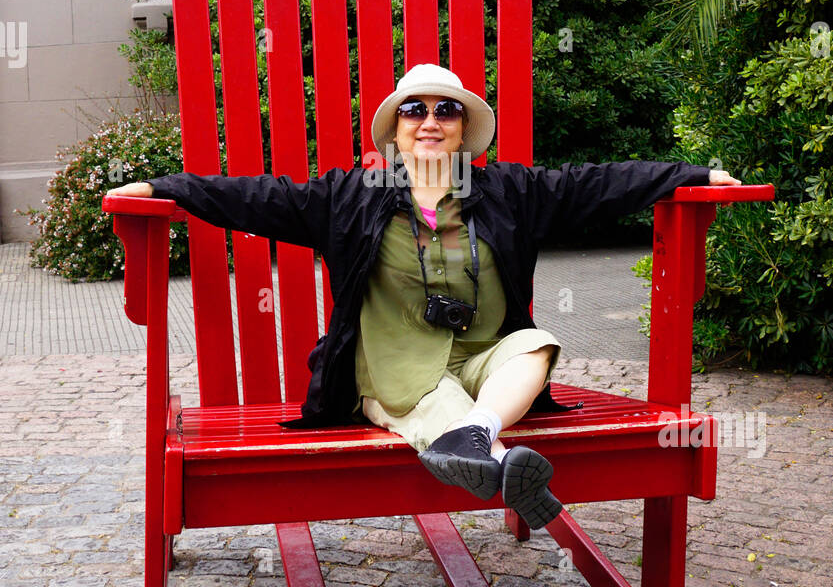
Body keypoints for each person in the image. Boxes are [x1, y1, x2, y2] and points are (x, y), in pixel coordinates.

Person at [108, 63, 742, 530]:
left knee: (535, 344)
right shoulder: (349, 197)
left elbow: (596, 183)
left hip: (481, 364)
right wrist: (165, 188)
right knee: (426, 393)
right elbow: (255, 196)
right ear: (397, 131)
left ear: (465, 128)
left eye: (447, 110)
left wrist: (689, 177)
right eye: (415, 111)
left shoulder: (509, 191)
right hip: (392, 367)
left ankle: (482, 443)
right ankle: (503, 465)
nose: (431, 122)